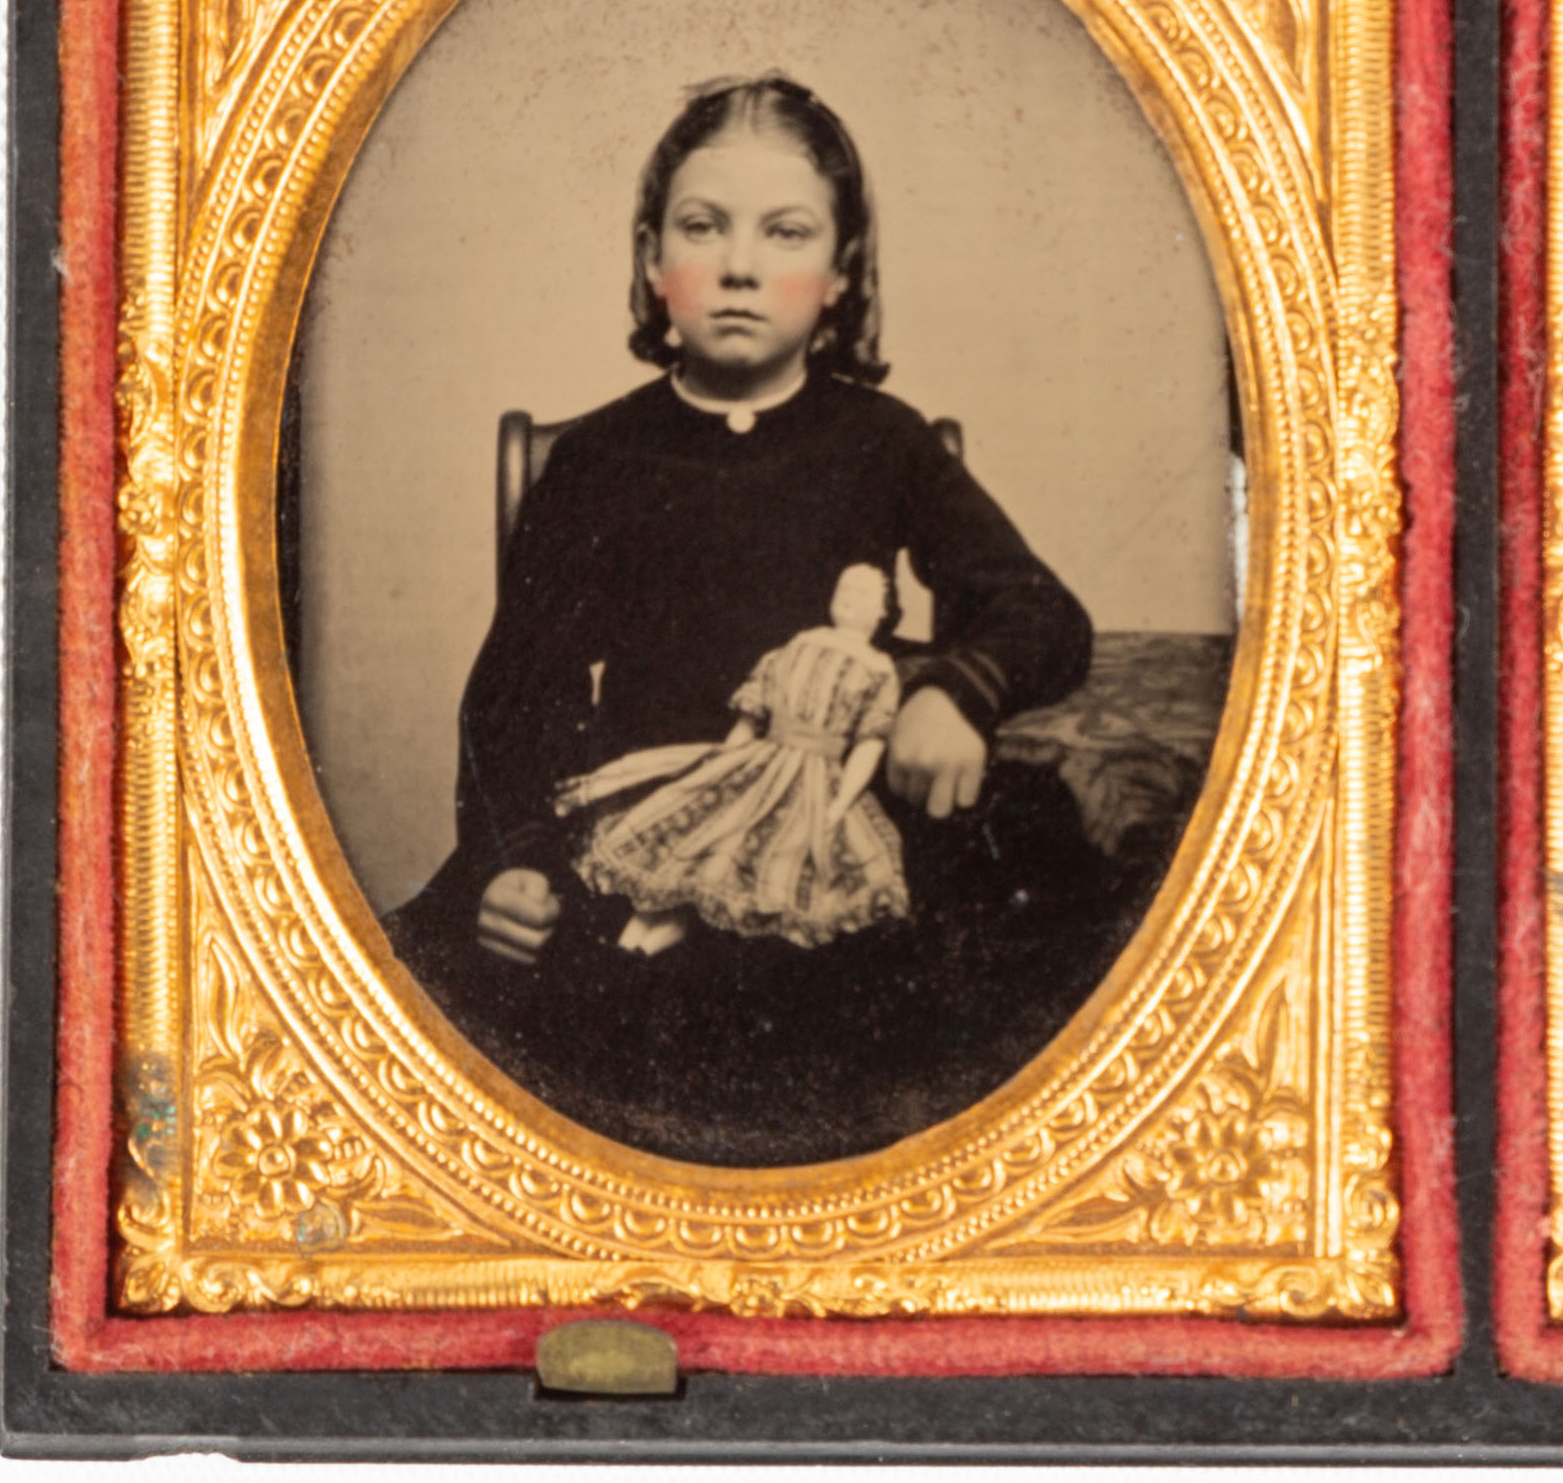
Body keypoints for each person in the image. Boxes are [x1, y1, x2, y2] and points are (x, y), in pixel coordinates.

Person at [385, 75, 1104, 1167]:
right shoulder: (596, 462)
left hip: (832, 818)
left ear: (841, 273)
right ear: (651, 261)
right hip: (642, 833)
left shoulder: (884, 443)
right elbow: (516, 694)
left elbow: (1039, 610)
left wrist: (953, 693)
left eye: (786, 232)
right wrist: (513, 857)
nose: (738, 263)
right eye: (701, 226)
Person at [560, 561, 912, 955]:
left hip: (814, 778)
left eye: (862, 595)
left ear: (883, 611)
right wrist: (724, 759)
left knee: (756, 857)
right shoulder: (799, 645)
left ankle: (666, 932)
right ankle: (639, 930)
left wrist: (841, 802)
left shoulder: (878, 670)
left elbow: (869, 744)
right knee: (704, 831)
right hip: (760, 759)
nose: (849, 600)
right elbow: (754, 711)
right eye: (843, 590)